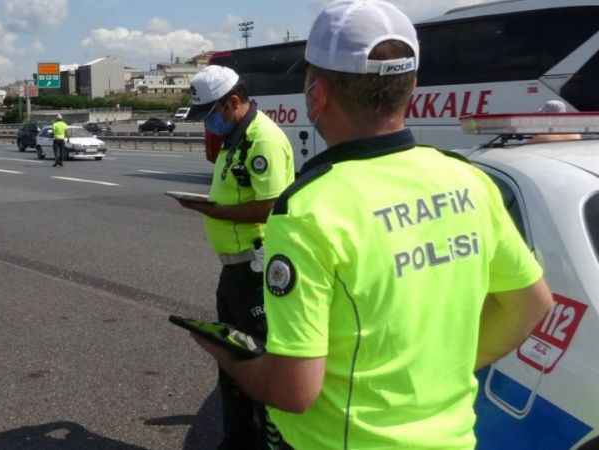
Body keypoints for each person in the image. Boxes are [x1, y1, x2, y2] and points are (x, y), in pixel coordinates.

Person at [191, 2, 555, 450]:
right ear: (412, 87)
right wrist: (436, 370)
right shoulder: (470, 180)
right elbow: (532, 304)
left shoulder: (309, 210)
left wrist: (227, 355)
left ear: (316, 95)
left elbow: (294, 390)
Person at [176, 65, 295, 450]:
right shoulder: (235, 138)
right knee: (232, 359)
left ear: (232, 102)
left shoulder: (263, 139)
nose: (207, 123)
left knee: (256, 360)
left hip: (256, 270)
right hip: (235, 269)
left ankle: (265, 441)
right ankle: (237, 439)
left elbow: (271, 205)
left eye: (210, 114)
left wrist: (213, 211)